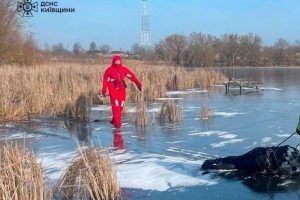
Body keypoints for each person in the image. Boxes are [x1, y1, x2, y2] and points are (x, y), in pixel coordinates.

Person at [101, 55, 142, 128]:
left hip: (122, 89)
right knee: (116, 105)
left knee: (121, 105)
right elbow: (105, 80)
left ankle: (114, 119)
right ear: (113, 61)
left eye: (119, 61)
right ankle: (117, 122)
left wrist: (138, 84)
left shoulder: (123, 69)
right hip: (113, 88)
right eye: (116, 61)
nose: (117, 62)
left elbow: (131, 76)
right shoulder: (109, 70)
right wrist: (104, 90)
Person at [201, 145, 300, 174]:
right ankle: (209, 166)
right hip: (261, 161)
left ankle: (214, 161)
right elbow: (283, 171)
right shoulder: (294, 164)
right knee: (237, 166)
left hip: (260, 150)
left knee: (238, 158)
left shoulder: (292, 149)